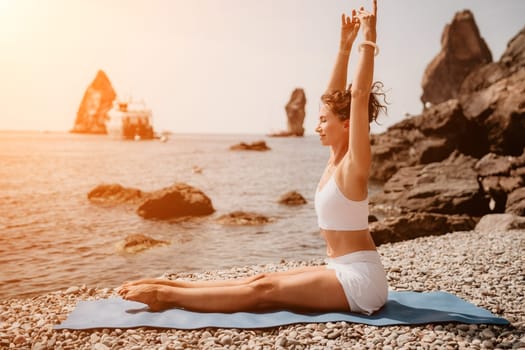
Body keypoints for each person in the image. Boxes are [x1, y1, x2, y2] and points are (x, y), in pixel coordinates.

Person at [118, 0, 388, 315]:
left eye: (324, 120)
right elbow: (334, 99)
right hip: (339, 267)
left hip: (360, 281)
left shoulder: (353, 165)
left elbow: (357, 97)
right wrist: (343, 47)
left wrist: (368, 37)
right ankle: (172, 284)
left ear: (347, 125)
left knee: (263, 291)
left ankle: (166, 296)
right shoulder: (334, 156)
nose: (317, 125)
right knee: (262, 278)